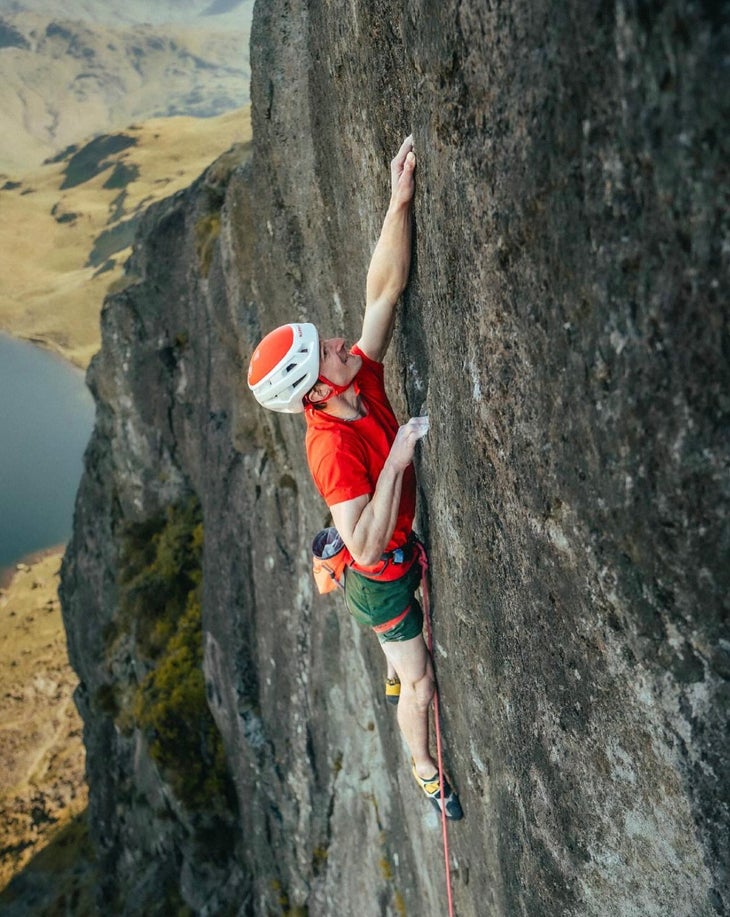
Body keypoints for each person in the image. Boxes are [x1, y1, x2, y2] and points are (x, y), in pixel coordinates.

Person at [247, 136, 462, 820]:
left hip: (391, 559)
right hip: (381, 581)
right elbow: (364, 548)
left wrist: (398, 200)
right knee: (421, 684)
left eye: (331, 340)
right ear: (315, 390)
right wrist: (398, 459)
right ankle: (424, 768)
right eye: (331, 351)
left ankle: (395, 668)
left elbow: (384, 289)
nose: (343, 342)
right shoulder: (331, 448)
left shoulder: (353, 377)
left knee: (408, 667)